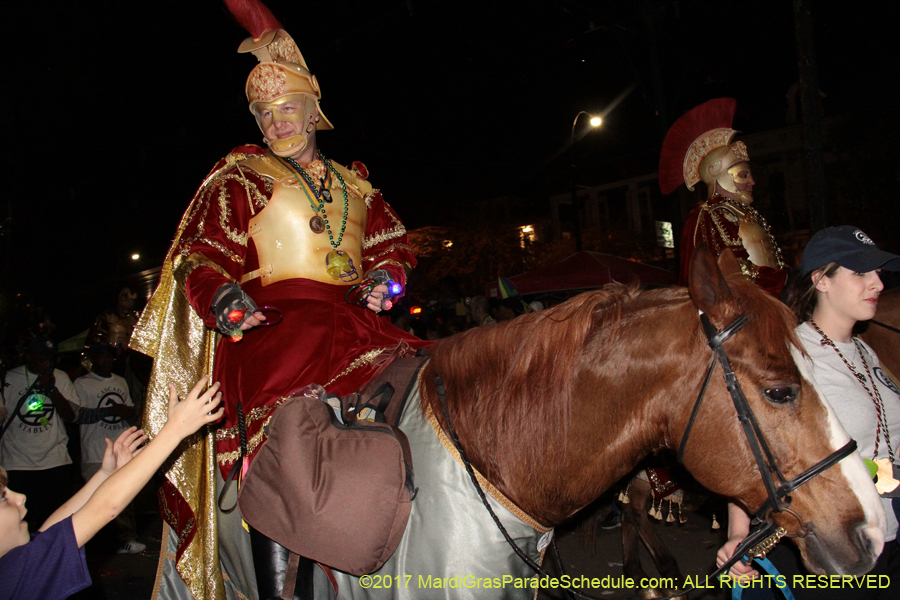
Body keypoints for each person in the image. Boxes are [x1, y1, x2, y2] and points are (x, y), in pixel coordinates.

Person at [128, 0, 428, 597]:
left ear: (314, 111)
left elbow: (395, 247)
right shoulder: (242, 176)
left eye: (286, 110)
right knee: (286, 418)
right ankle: (277, 583)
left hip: (354, 322)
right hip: (273, 326)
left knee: (432, 377)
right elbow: (200, 255)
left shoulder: (358, 184)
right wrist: (224, 300)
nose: (274, 124)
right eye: (264, 115)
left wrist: (385, 281)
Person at [717, 226, 900, 599]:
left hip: (889, 535)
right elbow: (751, 445)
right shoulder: (793, 355)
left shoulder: (865, 353)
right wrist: (737, 532)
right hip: (832, 544)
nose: (878, 284)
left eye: (878, 273)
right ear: (821, 281)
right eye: (861, 273)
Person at [0, 377, 223, 600]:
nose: (19, 498)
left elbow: (53, 531)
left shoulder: (15, 560)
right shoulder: (13, 573)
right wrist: (175, 430)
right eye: (2, 498)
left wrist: (105, 476)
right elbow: (105, 508)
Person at [659, 98, 787, 297]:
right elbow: (728, 271)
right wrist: (777, 280)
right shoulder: (710, 215)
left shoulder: (742, 212)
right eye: (743, 175)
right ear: (716, 174)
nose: (752, 182)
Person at [74, 342, 144, 554]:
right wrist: (109, 411)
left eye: (109, 356)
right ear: (93, 359)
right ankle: (96, 544)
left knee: (122, 496)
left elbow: (131, 410)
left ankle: (125, 539)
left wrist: (127, 412)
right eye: (101, 356)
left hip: (119, 448)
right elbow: (78, 415)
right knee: (94, 499)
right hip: (95, 450)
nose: (106, 360)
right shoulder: (81, 383)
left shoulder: (121, 381)